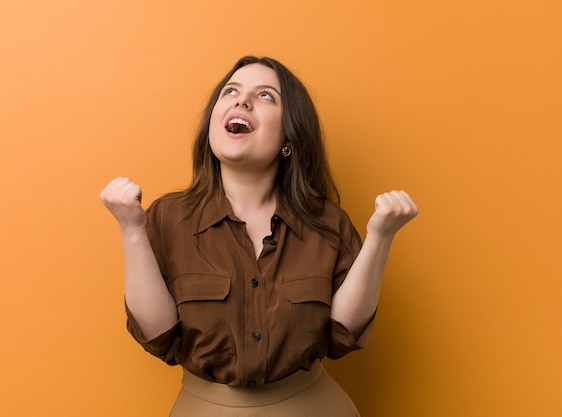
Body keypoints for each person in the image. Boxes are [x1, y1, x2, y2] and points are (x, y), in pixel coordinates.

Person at [100, 56, 418, 417]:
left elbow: (342, 334)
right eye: (230, 91)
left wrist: (380, 237)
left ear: (289, 138)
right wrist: (131, 230)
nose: (241, 100)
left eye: (265, 96)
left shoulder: (327, 223)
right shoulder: (167, 218)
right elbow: (158, 337)